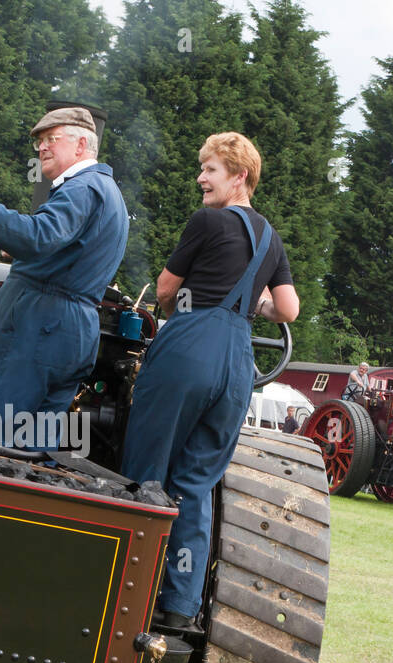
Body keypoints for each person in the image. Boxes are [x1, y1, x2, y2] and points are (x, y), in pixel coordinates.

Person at [120, 132, 298, 629]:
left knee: (146, 471)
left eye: (210, 169)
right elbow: (288, 309)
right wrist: (251, 304)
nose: (201, 177)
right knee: (195, 485)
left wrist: (188, 307)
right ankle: (178, 608)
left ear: (239, 176)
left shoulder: (208, 220)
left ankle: (125, 594)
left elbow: (164, 290)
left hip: (189, 349)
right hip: (238, 364)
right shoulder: (270, 238)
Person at [0, 107, 128, 447]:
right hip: (77, 331)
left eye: (52, 139)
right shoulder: (111, 195)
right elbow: (64, 247)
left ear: (81, 145)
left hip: (38, 324)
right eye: (39, 142)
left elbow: (39, 237)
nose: (42, 148)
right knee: (33, 445)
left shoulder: (81, 188)